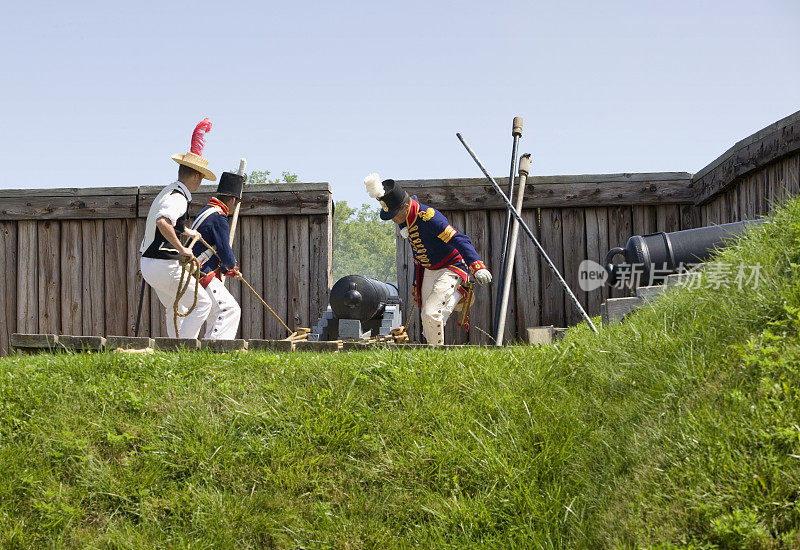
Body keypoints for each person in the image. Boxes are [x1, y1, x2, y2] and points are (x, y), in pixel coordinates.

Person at [364, 173, 492, 346]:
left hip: (451, 267)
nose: (393, 219)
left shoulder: (429, 217)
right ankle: (434, 352)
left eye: (394, 214)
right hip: (429, 269)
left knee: (431, 314)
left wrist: (477, 266)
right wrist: (416, 285)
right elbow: (418, 256)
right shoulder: (406, 222)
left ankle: (460, 294)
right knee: (428, 319)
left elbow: (460, 239)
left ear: (405, 206)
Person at [139, 119, 216, 338]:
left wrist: (186, 231)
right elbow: (163, 222)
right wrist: (182, 250)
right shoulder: (179, 198)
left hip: (149, 264)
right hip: (164, 265)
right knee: (202, 303)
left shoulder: (169, 191)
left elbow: (170, 221)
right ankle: (184, 351)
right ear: (197, 175)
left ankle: (175, 351)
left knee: (175, 306)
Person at [190, 171, 244, 340]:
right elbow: (224, 249)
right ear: (233, 200)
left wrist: (226, 269)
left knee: (216, 312)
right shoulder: (219, 217)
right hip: (203, 270)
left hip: (195, 269)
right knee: (230, 309)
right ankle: (217, 349)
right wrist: (231, 266)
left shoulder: (206, 211)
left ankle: (209, 348)